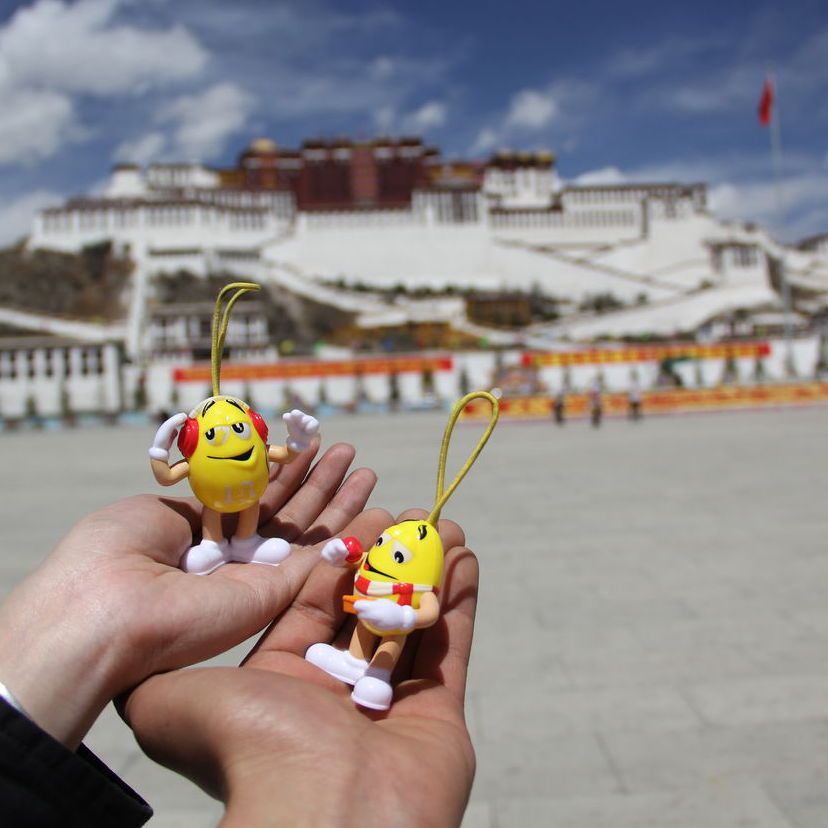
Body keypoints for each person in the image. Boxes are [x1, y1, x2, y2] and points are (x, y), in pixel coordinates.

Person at [0, 440, 478, 826]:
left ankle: (373, 671)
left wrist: (404, 618)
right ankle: (350, 656)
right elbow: (355, 551)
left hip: (383, 615)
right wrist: (340, 553)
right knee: (360, 635)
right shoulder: (376, 557)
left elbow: (427, 606)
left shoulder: (418, 580)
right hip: (357, 600)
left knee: (386, 645)